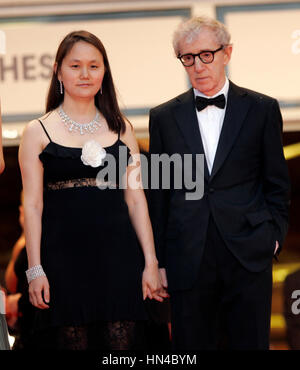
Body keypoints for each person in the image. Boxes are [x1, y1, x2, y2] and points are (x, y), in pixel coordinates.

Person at [18, 30, 167, 350]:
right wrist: (34, 270)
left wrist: (151, 262)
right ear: (58, 70)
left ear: (105, 72)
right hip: (61, 262)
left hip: (121, 260)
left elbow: (136, 199)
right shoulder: (36, 131)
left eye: (94, 66)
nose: (85, 74)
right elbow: (32, 205)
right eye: (75, 66)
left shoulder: (122, 128)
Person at [148, 16, 290, 350]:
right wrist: (159, 262)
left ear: (227, 53)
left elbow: (277, 185)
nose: (197, 65)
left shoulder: (262, 108)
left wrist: (272, 240)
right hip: (187, 259)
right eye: (188, 57)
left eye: (206, 54)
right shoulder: (163, 117)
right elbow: (159, 195)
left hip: (249, 254)